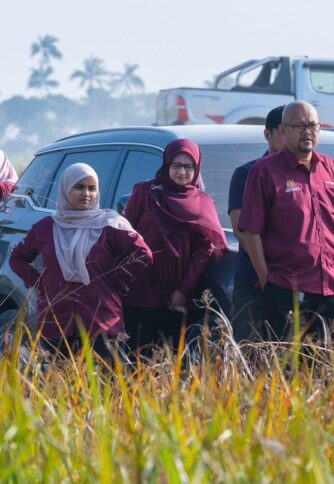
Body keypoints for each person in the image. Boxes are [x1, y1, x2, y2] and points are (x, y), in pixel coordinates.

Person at [9, 163, 152, 360]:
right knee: (58, 384)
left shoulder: (110, 224)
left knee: (107, 383)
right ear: (66, 189)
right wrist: (42, 283)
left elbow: (143, 254)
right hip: (57, 320)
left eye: (92, 188)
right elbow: (17, 258)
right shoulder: (46, 227)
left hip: (101, 319)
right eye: (79, 187)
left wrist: (112, 281)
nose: (86, 193)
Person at [238, 101, 334, 339]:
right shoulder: (264, 170)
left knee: (328, 366)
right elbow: (250, 231)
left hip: (332, 288)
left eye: (312, 125)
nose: (307, 132)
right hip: (286, 289)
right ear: (283, 131)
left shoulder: (331, 168)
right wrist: (266, 280)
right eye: (299, 126)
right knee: (286, 367)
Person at [122, 139, 227, 353]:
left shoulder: (202, 202)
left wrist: (182, 290)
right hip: (140, 287)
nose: (182, 172)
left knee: (169, 356)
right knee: (136, 355)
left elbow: (204, 251)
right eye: (176, 165)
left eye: (188, 166)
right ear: (166, 164)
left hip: (175, 293)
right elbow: (125, 231)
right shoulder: (146, 192)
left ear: (196, 168)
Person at [228, 105, 286, 342]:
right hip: (255, 281)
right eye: (285, 130)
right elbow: (241, 229)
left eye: (302, 128)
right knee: (252, 353)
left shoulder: (316, 172)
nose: (295, 135)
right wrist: (267, 274)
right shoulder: (247, 173)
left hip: (300, 282)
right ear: (268, 135)